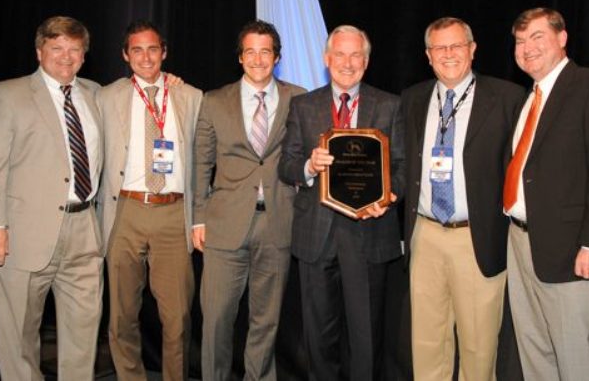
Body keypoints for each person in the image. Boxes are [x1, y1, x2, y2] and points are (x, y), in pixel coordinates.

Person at [504, 7, 589, 380]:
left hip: (572, 249)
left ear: (562, 39)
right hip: (522, 241)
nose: (527, 48)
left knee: (577, 358)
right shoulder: (530, 99)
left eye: (538, 37)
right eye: (520, 41)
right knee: (536, 352)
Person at [0, 16, 103, 379]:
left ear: (83, 55)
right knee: (19, 341)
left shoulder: (96, 94)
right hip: (21, 236)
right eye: (57, 48)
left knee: (83, 340)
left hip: (85, 233)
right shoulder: (8, 94)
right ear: (39, 51)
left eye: (74, 50)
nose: (66, 57)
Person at [278, 24, 404, 381]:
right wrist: (307, 166)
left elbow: (403, 165)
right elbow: (285, 165)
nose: (347, 63)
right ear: (326, 59)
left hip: (369, 232)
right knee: (319, 337)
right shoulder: (303, 105)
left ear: (366, 60)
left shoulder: (390, 105)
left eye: (356, 55)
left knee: (366, 338)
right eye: (340, 55)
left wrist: (389, 195)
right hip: (316, 236)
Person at [401, 17, 524, 380]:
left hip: (478, 237)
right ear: (428, 55)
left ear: (472, 50)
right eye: (440, 47)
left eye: (457, 46)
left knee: (479, 344)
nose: (449, 54)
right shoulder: (413, 98)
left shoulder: (507, 98)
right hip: (425, 235)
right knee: (427, 343)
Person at [192, 20, 306, 381]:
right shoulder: (214, 101)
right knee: (216, 321)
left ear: (277, 57)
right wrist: (197, 218)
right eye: (251, 51)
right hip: (224, 228)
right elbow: (201, 164)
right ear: (240, 57)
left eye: (266, 51)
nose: (258, 59)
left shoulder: (299, 99)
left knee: (265, 323)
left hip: (278, 224)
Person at [98, 20, 202, 381]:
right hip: (124, 211)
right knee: (121, 315)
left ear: (164, 53)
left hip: (174, 214)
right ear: (126, 55)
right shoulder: (106, 96)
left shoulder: (191, 96)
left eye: (153, 49)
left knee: (178, 318)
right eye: (137, 50)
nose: (146, 56)